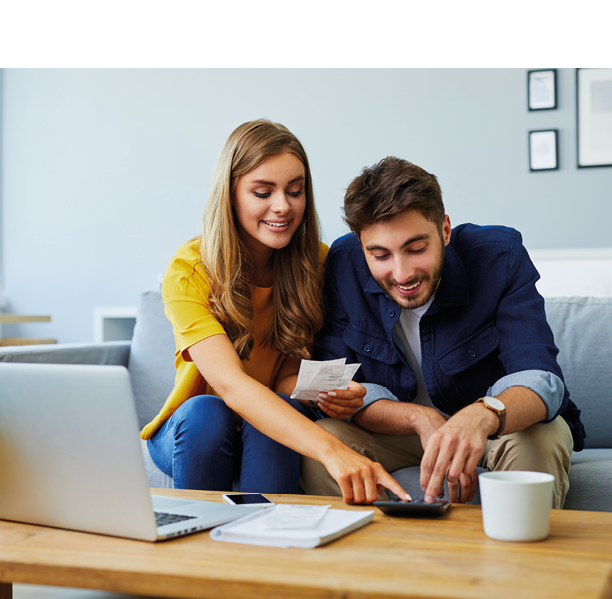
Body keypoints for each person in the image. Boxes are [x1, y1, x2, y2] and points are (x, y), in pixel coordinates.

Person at [140, 120, 409, 503]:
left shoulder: (316, 263)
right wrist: (333, 451)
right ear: (231, 195)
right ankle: (200, 555)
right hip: (194, 430)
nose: (283, 206)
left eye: (295, 191)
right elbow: (232, 386)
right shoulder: (190, 269)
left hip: (266, 429)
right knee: (207, 411)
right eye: (263, 192)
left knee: (277, 408)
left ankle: (273, 551)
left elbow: (284, 378)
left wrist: (323, 394)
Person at [301, 156, 585, 509]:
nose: (401, 273)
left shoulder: (500, 256)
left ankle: (519, 563)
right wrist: (418, 417)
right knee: (322, 443)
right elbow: (341, 390)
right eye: (380, 255)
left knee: (541, 438)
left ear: (445, 230)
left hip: (496, 428)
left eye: (416, 249)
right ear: (362, 247)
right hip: (401, 433)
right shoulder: (343, 264)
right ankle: (372, 562)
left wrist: (482, 415)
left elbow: (541, 378)